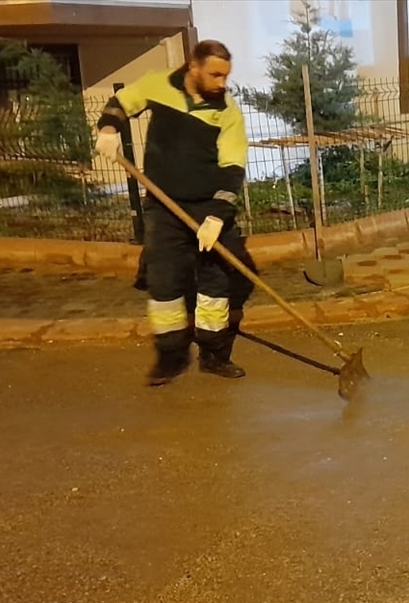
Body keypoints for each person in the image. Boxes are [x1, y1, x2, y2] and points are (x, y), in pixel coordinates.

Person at [94, 40, 254, 387]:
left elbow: (232, 168)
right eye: (215, 74)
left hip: (208, 207)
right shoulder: (157, 84)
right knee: (164, 284)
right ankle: (171, 357)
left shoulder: (227, 112)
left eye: (226, 75)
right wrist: (108, 129)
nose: (222, 83)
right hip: (163, 206)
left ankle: (214, 355)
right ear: (193, 67)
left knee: (216, 285)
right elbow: (121, 103)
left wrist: (216, 216)